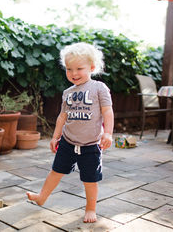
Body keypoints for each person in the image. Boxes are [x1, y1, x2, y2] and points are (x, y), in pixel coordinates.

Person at [26, 42, 114, 223]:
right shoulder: (67, 92)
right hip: (67, 141)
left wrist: (108, 133)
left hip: (90, 145)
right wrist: (55, 136)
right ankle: (42, 197)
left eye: (79, 68)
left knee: (90, 179)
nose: (74, 74)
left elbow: (107, 111)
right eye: (69, 69)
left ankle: (90, 208)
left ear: (91, 67)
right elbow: (62, 117)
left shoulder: (99, 88)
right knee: (55, 171)